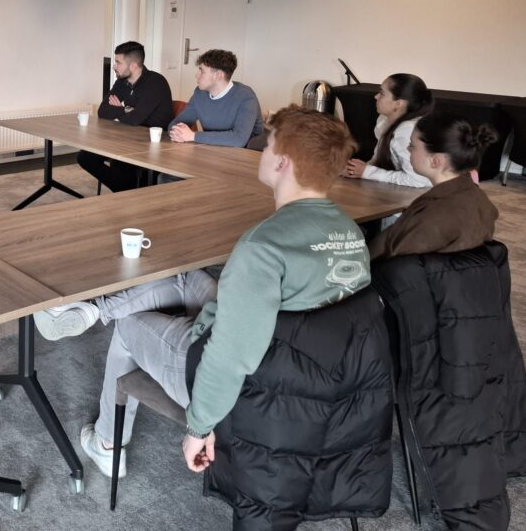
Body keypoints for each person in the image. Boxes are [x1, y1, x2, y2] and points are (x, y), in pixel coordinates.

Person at [73, 106, 371, 479]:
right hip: (310, 377)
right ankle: (92, 311)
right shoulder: (351, 233)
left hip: (245, 381)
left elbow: (232, 354)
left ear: (283, 163)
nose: (261, 152)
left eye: (267, 146)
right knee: (185, 277)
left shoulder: (263, 246)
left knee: (129, 327)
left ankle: (106, 444)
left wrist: (199, 427)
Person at [369, 111, 499, 260]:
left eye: (412, 146)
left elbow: (395, 263)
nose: (408, 149)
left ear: (435, 161)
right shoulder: (477, 197)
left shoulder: (432, 215)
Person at [76, 41, 174, 193]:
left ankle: (127, 190)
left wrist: (122, 110)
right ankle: (125, 189)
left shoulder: (155, 83)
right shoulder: (122, 81)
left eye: (118, 62)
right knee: (85, 157)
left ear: (133, 66)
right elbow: (103, 111)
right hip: (128, 135)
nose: (114, 66)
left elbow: (134, 120)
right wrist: (127, 109)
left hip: (153, 143)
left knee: (122, 166)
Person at [344, 73, 432, 188]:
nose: (376, 96)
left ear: (398, 103)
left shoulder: (407, 131)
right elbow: (379, 161)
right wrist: (356, 170)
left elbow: (418, 180)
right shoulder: (384, 120)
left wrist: (368, 172)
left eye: (382, 93)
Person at [167, 49, 264, 147]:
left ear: (218, 76)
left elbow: (238, 140)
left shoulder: (246, 97)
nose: (196, 75)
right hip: (214, 150)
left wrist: (193, 136)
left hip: (248, 155)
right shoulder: (200, 93)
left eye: (202, 71)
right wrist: (177, 132)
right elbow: (176, 123)